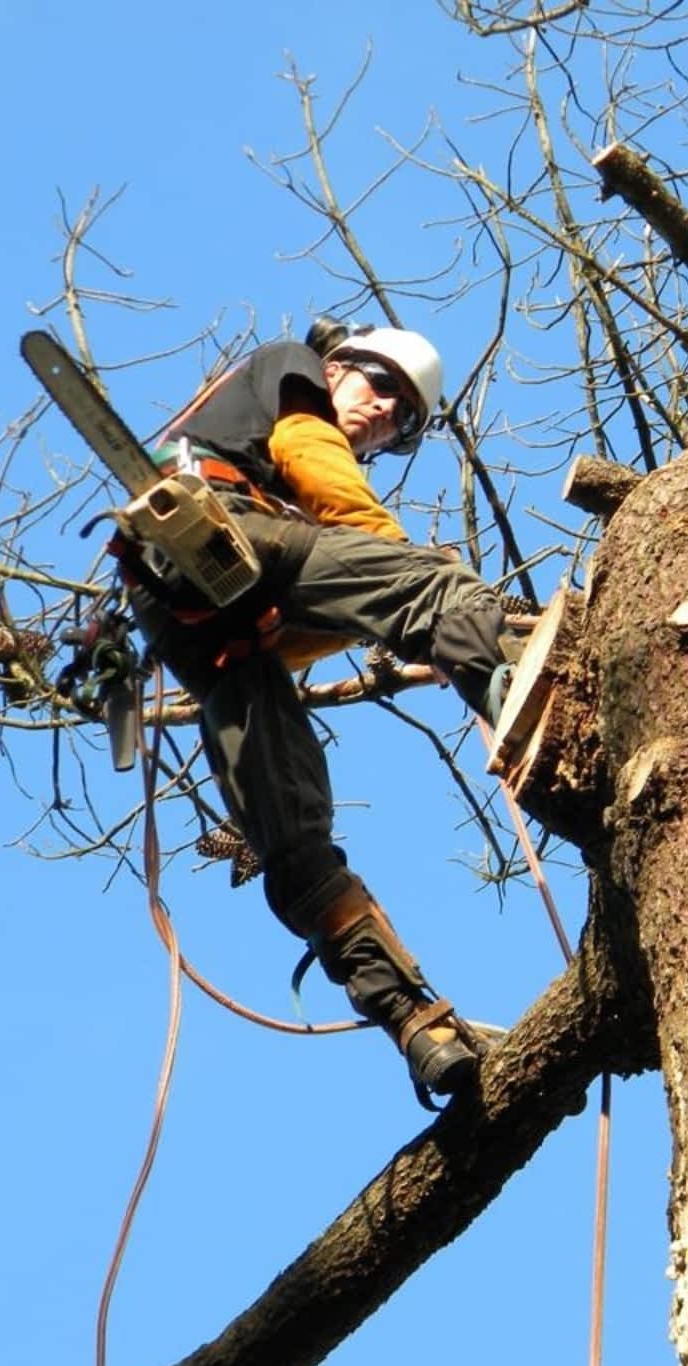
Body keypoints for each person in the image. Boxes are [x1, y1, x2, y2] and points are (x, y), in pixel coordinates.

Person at [122, 322, 512, 1105]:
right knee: (440, 587)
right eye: (380, 387)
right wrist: (393, 557)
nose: (385, 415)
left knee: (294, 840)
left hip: (202, 631)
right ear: (337, 367)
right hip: (226, 528)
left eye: (404, 420)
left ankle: (413, 1021)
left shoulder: (273, 462)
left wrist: (311, 620)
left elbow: (325, 610)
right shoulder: (290, 375)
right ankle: (535, 714)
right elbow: (313, 456)